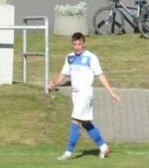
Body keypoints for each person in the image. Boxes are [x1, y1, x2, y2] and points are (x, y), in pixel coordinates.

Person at [48, 32, 119, 160]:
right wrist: (55, 82)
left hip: (85, 94)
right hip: (75, 94)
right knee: (86, 123)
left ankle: (68, 153)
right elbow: (63, 74)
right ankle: (104, 148)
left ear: (84, 44)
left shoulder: (91, 58)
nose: (77, 47)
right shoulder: (69, 57)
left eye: (79, 44)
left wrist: (111, 93)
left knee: (74, 121)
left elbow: (100, 76)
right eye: (74, 44)